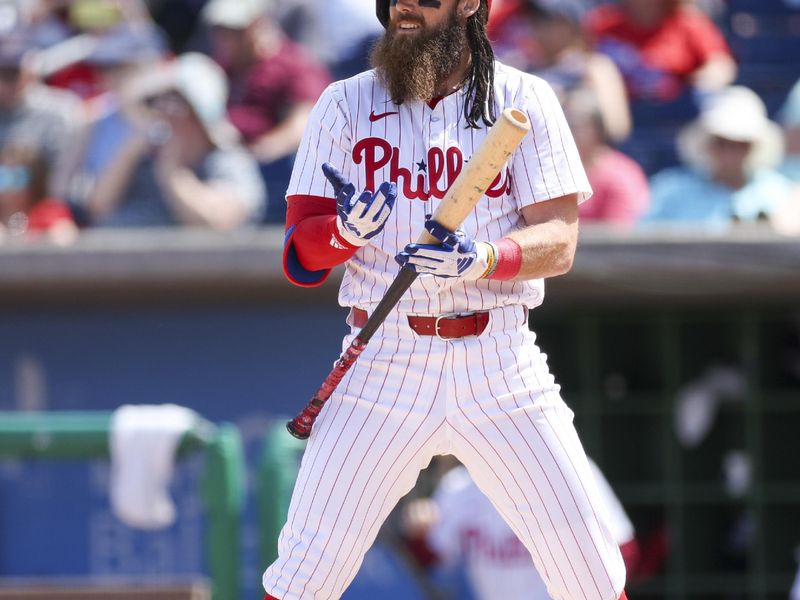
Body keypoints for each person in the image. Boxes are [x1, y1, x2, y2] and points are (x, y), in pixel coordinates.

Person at [263, 1, 629, 599]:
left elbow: (560, 241)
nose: (405, 6)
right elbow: (299, 258)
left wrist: (486, 257)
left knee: (589, 570)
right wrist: (344, 233)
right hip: (384, 356)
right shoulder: (343, 103)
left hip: (500, 362)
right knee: (305, 571)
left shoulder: (524, 98)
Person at [402, 458, 638, 600]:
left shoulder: (569, 467)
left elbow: (625, 550)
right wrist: (418, 534)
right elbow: (433, 559)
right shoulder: (458, 488)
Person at [85, 52, 265, 228]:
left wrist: (172, 172)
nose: (165, 110)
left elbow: (218, 222)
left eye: (177, 101)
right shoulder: (144, 158)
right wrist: (135, 143)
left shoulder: (229, 161)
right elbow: (99, 207)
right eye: (158, 100)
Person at [642, 86, 794, 228]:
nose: (730, 153)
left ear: (752, 148)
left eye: (740, 144)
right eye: (722, 143)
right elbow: (643, 244)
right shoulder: (671, 191)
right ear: (708, 145)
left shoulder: (781, 195)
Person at [511, 0, 632, 142]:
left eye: (547, 19)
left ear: (573, 25)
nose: (537, 26)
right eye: (534, 18)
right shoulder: (520, 69)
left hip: (585, 157)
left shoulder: (594, 67)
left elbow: (618, 127)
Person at [584, 0, 736, 102]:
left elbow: (720, 64)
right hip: (617, 112)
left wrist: (703, 82)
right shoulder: (603, 23)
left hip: (670, 121)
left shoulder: (688, 23)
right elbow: (579, 60)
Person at [0, 25, 83, 200]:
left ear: (30, 72)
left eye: (10, 74)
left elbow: (61, 183)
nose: (2, 83)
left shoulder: (60, 111)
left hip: (43, 211)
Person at [565, 90, 649, 226]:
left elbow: (616, 236)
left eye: (574, 125)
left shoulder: (620, 175)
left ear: (598, 128)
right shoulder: (556, 169)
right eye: (564, 122)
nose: (567, 131)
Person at [0, 142, 77, 243]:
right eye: (3, 175)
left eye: (17, 177)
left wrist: (50, 236)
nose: (8, 186)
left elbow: (66, 234)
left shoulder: (47, 212)